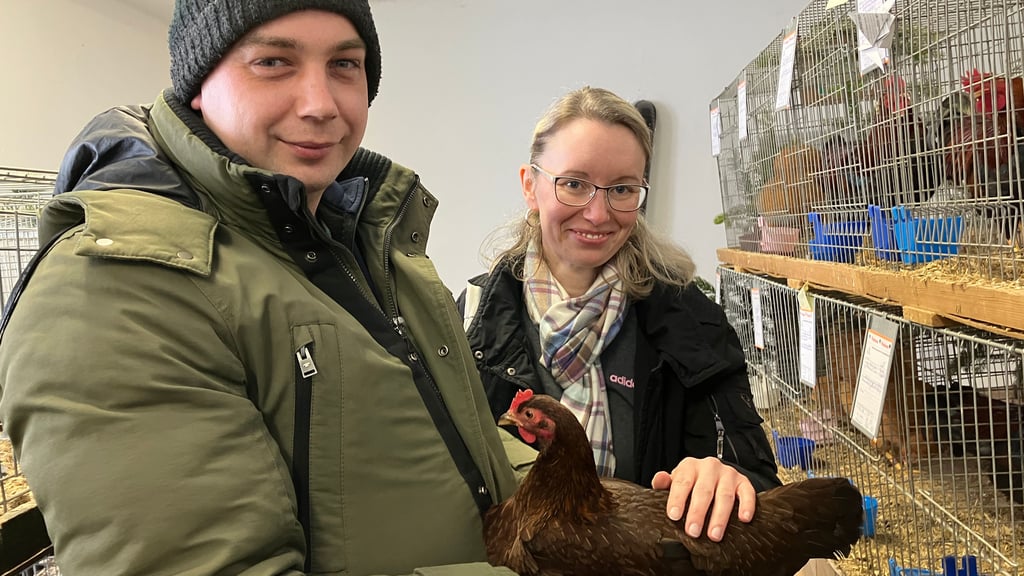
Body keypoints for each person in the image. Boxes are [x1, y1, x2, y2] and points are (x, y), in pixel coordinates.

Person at [0, 2, 533, 574]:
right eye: (274, 61)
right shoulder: (118, 286)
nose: (321, 104)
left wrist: (593, 519)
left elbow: (459, 435)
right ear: (199, 84)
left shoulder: (367, 238)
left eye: (345, 65)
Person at [458, 86, 782, 544]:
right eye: (573, 183)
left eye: (622, 189)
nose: (597, 212)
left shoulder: (690, 321)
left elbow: (758, 481)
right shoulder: (469, 320)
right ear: (531, 186)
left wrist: (728, 476)